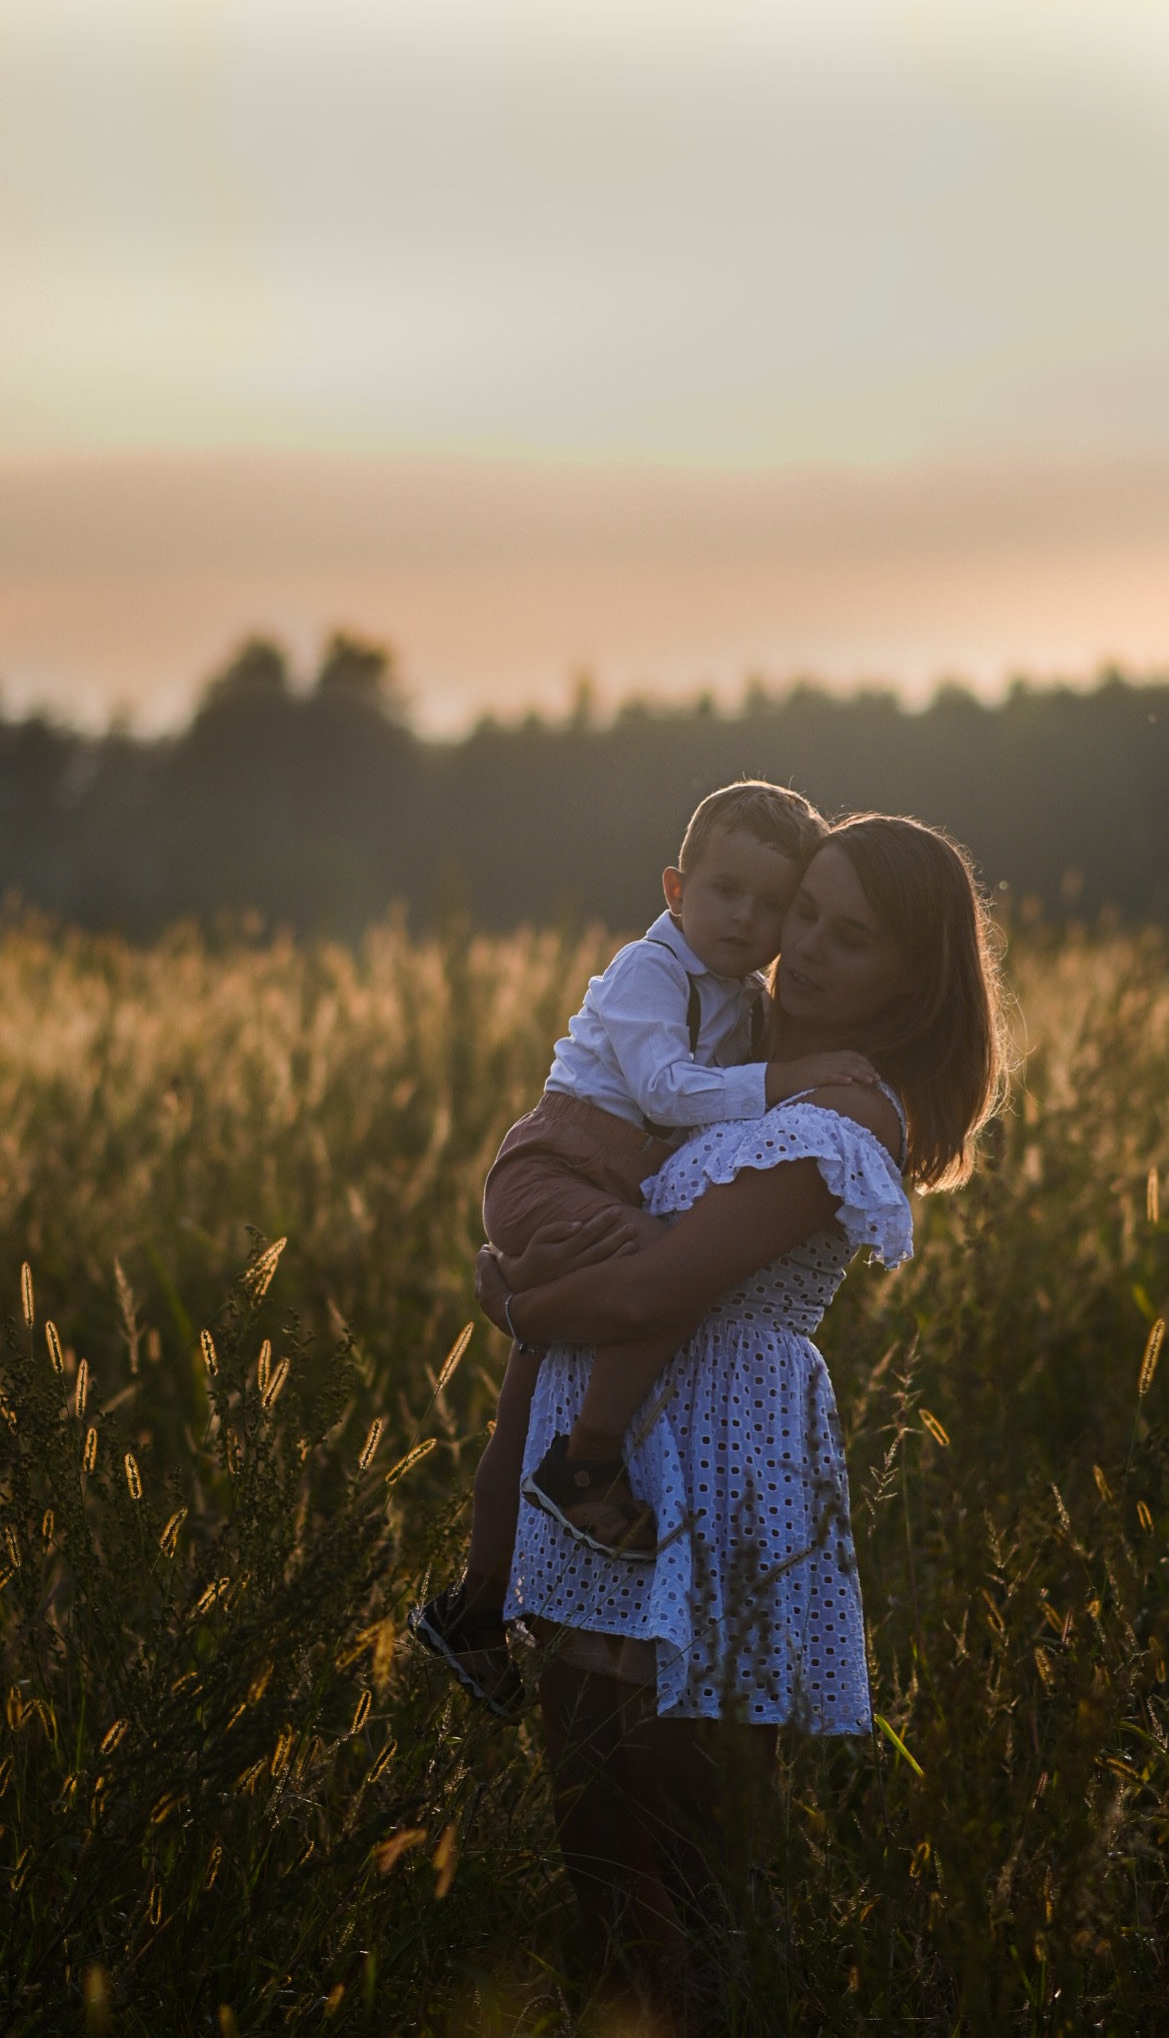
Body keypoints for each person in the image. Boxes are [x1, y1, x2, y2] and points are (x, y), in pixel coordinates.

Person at [474, 814, 1009, 2023]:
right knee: (598, 1849)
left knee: (689, 1841)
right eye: (800, 911)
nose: (802, 947)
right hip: (598, 1470)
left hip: (715, 1472)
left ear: (911, 976)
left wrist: (513, 1295)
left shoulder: (846, 1113)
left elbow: (658, 1288)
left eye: (849, 934)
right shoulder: (721, 1039)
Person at [410, 781, 879, 1716]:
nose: (748, 918)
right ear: (675, 890)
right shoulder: (650, 971)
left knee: (526, 1389)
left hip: (618, 1173)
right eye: (723, 893)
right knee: (662, 1269)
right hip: (562, 1163)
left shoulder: (743, 994)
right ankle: (585, 1462)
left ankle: (476, 1605)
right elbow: (665, 1092)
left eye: (772, 903)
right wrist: (789, 1081)